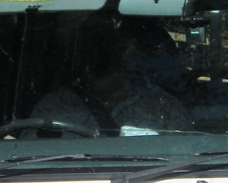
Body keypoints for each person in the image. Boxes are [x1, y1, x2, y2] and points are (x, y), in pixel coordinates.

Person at [30, 15, 191, 136]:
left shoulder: (163, 107)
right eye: (96, 44)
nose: (102, 52)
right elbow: (26, 160)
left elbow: (184, 156)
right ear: (82, 53)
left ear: (131, 52)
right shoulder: (54, 108)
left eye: (114, 46)